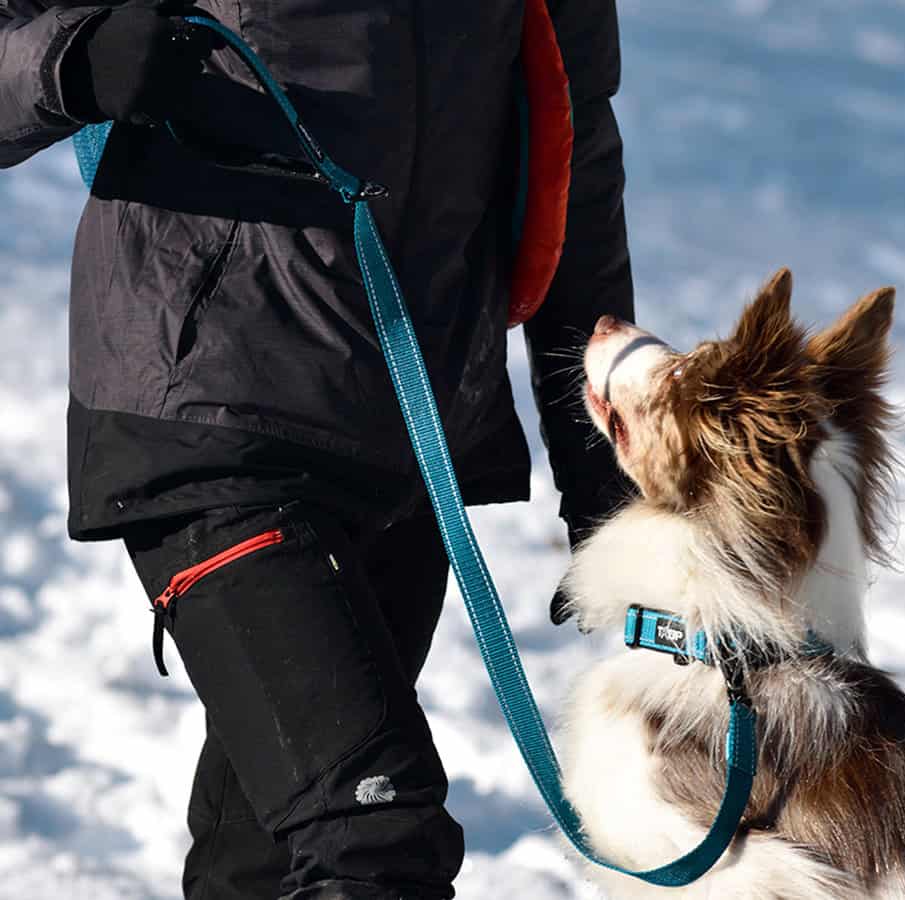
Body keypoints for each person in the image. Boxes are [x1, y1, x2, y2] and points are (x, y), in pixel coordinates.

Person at [0, 0, 634, 897]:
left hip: (414, 447)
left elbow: (570, 167)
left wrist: (603, 480)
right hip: (211, 414)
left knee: (259, 863)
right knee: (375, 837)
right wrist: (74, 62)